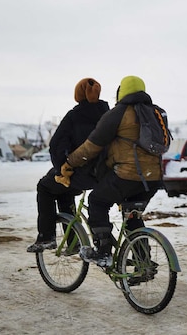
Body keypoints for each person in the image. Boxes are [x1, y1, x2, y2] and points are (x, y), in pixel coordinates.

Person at [55, 75, 166, 266]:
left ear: (121, 91)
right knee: (131, 214)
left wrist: (71, 162)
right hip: (153, 179)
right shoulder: (157, 112)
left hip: (128, 176)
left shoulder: (119, 112)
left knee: (96, 201)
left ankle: (103, 251)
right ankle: (143, 262)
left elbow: (92, 145)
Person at [26, 78, 109, 253]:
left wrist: (60, 170)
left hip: (80, 172)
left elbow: (56, 145)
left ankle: (46, 237)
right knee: (64, 193)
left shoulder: (74, 116)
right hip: (104, 174)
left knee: (45, 186)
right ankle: (73, 240)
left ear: (78, 94)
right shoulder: (107, 114)